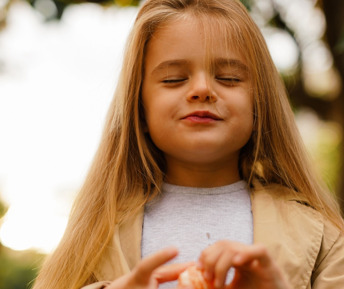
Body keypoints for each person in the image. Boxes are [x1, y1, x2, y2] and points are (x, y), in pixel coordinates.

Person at [32, 0, 344, 289]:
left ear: (259, 104)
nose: (202, 89)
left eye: (229, 77)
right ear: (138, 109)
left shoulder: (326, 238)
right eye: (173, 79)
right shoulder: (93, 236)